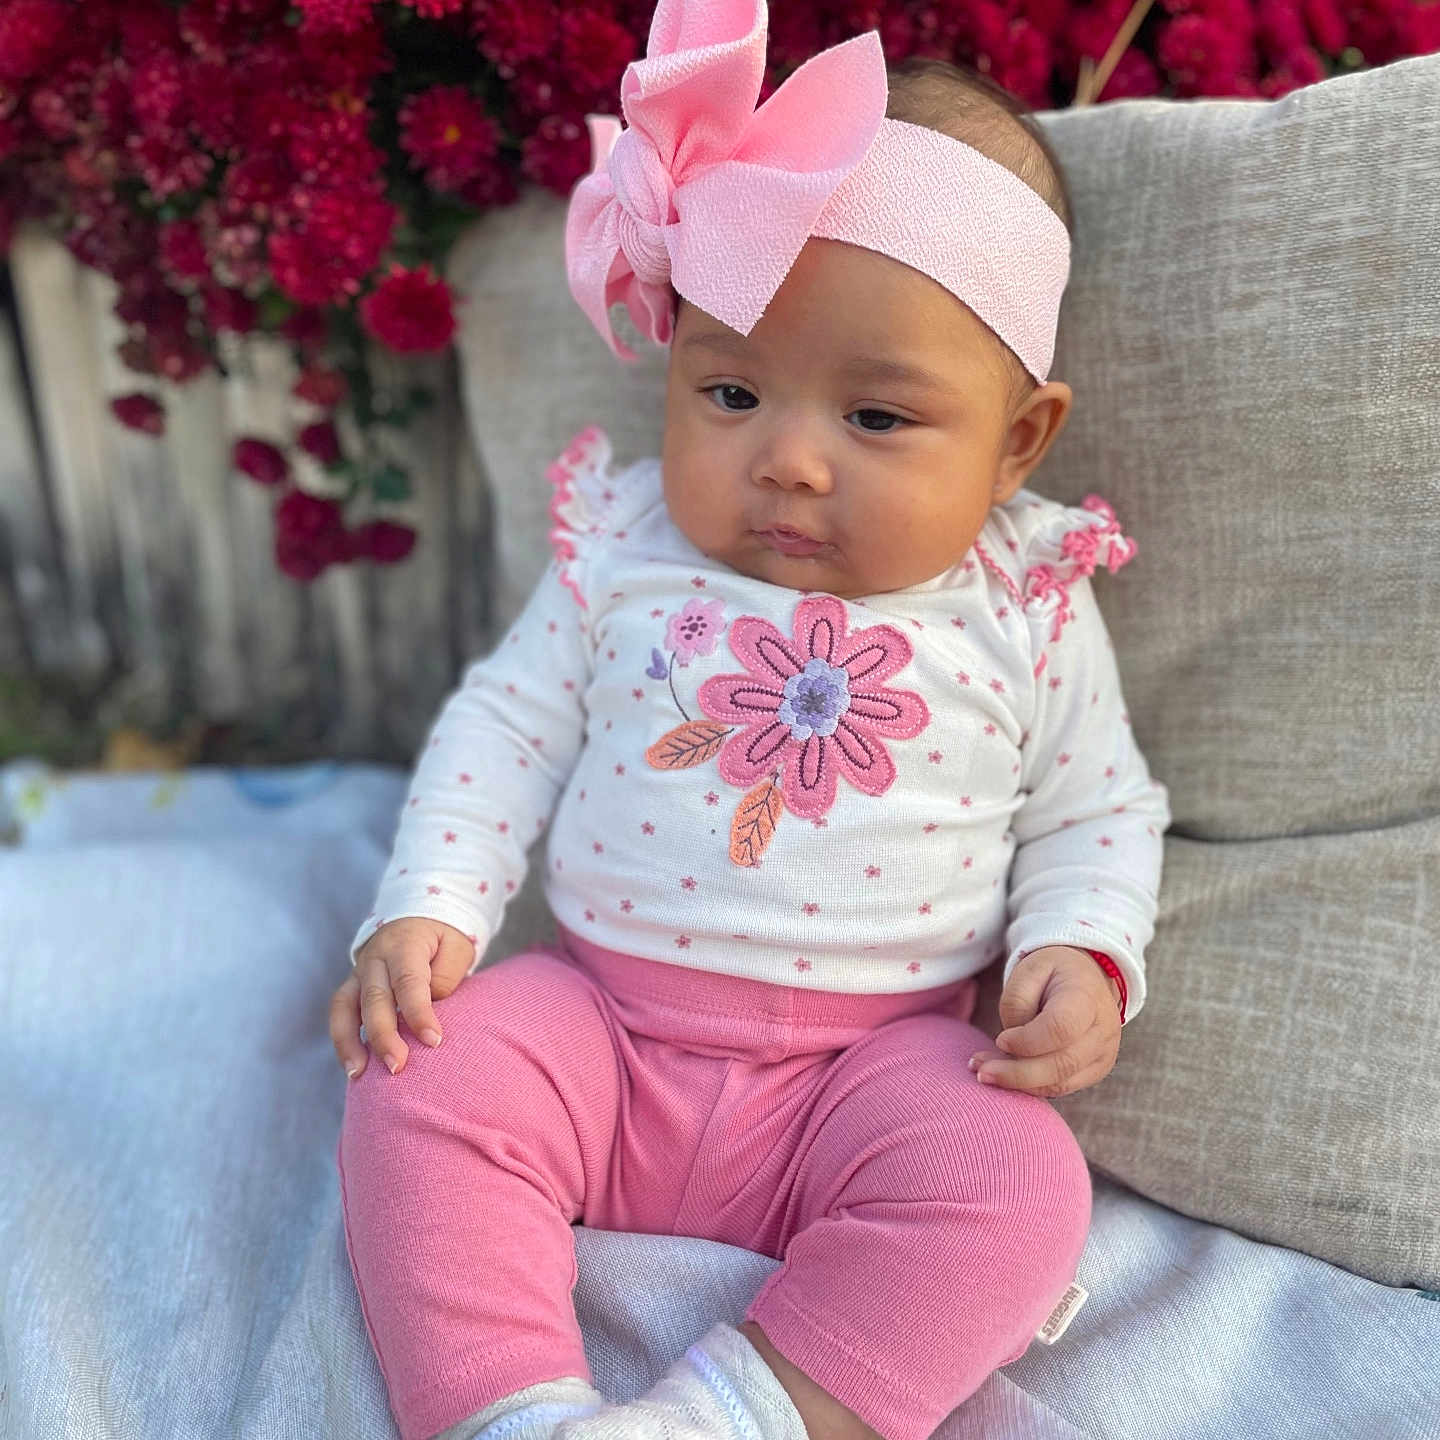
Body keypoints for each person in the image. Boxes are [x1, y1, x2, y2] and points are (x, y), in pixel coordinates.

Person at [331, 3, 1170, 1439]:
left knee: (1019, 1187)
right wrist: (434, 907)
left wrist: (1081, 954)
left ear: (1017, 439)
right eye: (729, 389)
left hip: (875, 1075)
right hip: (601, 1024)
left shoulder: (1023, 592)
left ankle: (739, 1416)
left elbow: (1096, 809)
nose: (784, 461)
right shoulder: (626, 535)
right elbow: (508, 724)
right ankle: (503, 1409)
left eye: (879, 420)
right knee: (423, 1080)